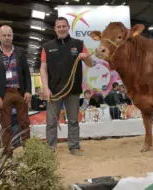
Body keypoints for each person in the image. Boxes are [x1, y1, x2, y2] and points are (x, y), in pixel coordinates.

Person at [40, 17, 94, 156]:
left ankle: (74, 147)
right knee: (51, 121)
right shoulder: (47, 46)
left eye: (64, 26)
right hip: (54, 91)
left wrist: (86, 57)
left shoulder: (79, 44)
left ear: (68, 27)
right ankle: (51, 148)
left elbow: (91, 64)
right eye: (59, 27)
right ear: (55, 28)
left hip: (73, 90)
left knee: (73, 120)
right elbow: (43, 68)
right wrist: (45, 87)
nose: (62, 29)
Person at [0, 25, 32, 154]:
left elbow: (26, 73)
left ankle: (29, 152)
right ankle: (8, 153)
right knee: (6, 125)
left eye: (9, 35)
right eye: (4, 35)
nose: (7, 38)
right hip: (3, 94)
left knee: (24, 123)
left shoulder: (20, 51)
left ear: (12, 36)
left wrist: (28, 90)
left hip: (20, 92)